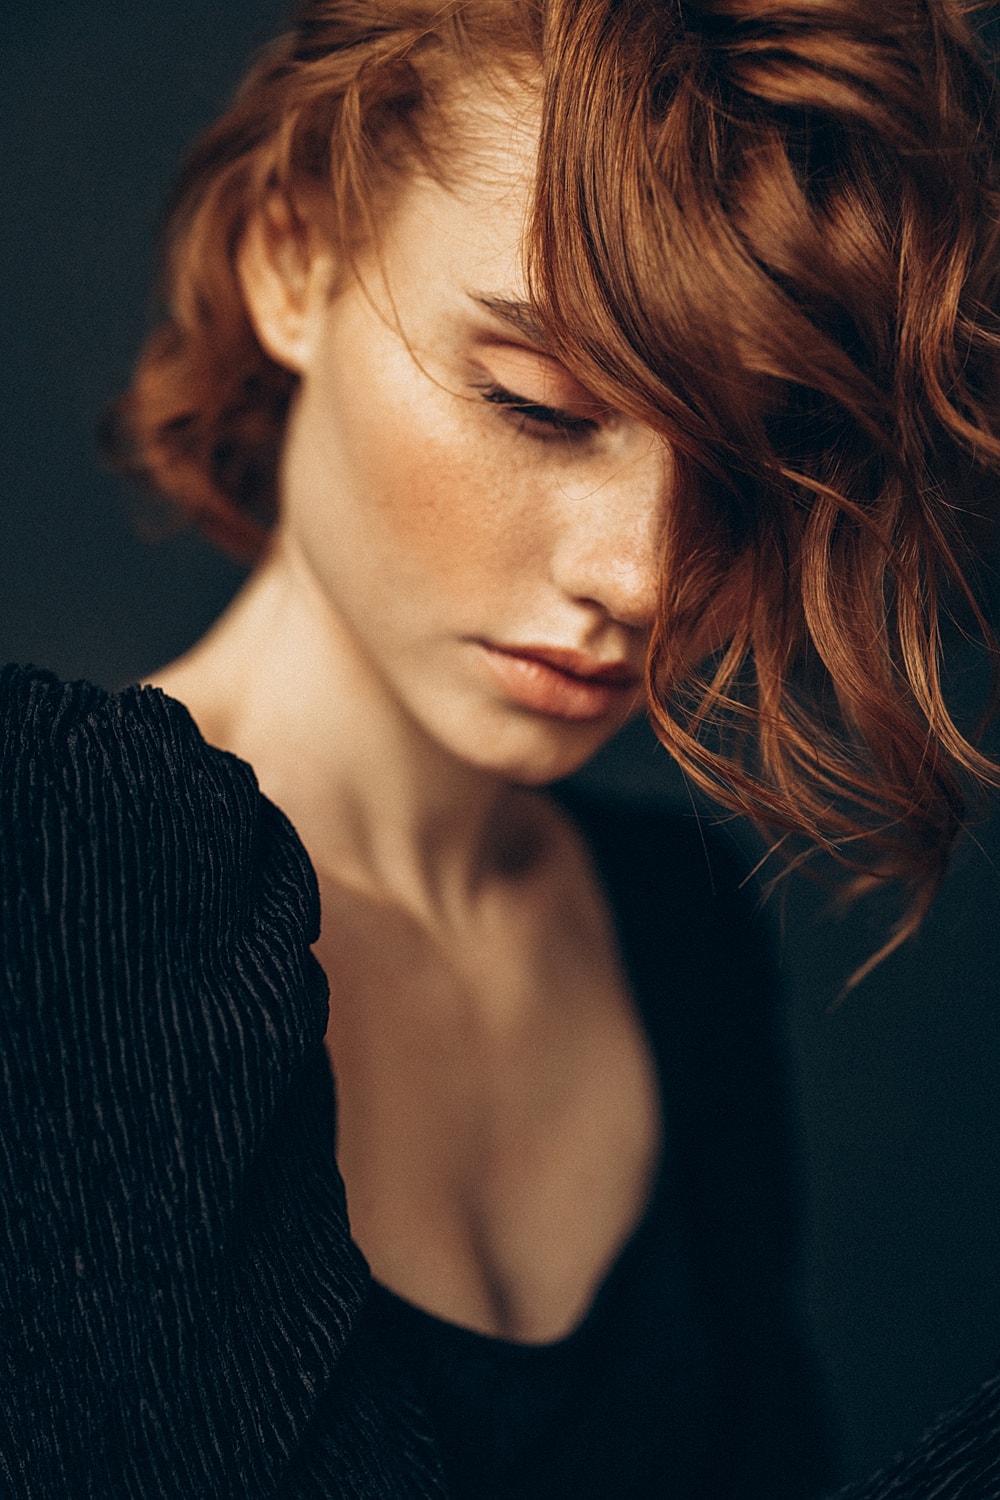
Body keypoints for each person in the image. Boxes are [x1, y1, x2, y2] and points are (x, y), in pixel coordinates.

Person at [2, 1, 998, 1497]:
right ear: (291, 261)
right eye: (539, 406)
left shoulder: (677, 934)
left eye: (754, 466)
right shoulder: (49, 857)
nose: (645, 576)